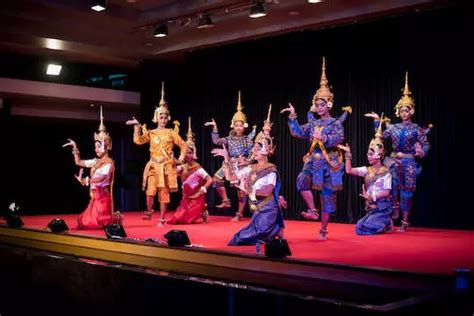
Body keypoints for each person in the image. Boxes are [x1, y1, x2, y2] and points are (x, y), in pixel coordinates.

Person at [280, 57, 348, 240]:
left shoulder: (334, 123)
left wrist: (324, 137)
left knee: (327, 196)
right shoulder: (312, 123)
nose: (319, 108)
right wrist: (293, 117)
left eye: (322, 104)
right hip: (313, 160)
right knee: (301, 180)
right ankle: (312, 209)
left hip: (330, 162)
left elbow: (339, 138)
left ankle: (323, 230)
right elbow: (296, 133)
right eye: (317, 105)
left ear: (329, 104)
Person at [365, 72, 431, 232]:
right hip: (392, 161)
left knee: (407, 192)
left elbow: (425, 144)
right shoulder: (393, 128)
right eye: (401, 110)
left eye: (407, 110)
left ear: (411, 111)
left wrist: (421, 152)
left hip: (409, 162)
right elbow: (381, 136)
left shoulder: (416, 129)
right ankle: (389, 220)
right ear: (398, 112)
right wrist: (377, 122)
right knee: (390, 189)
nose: (404, 113)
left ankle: (404, 222)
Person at [126, 82, 188, 227]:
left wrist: (180, 159)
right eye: (161, 116)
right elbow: (138, 141)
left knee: (163, 194)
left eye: (165, 117)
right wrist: (136, 127)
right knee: (150, 191)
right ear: (156, 117)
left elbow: (183, 145)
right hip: (154, 165)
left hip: (166, 167)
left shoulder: (172, 132)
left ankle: (161, 219)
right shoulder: (151, 133)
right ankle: (149, 211)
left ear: (168, 118)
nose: (163, 119)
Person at [212, 137, 286, 246]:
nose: (253, 151)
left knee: (242, 238)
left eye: (257, 149)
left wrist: (248, 190)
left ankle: (273, 228)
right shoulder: (251, 168)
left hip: (268, 209)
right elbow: (230, 177)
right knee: (241, 237)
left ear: (265, 150)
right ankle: (273, 229)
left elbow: (267, 192)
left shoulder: (271, 170)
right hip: (257, 210)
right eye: (253, 149)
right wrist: (226, 158)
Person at [63, 106, 119, 229]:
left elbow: (100, 179)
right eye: (95, 146)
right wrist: (75, 147)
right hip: (94, 197)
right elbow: (79, 162)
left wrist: (87, 180)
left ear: (107, 146)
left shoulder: (109, 163)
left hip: (103, 199)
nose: (96, 149)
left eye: (99, 146)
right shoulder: (95, 161)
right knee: (84, 221)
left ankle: (112, 217)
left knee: (94, 223)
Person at [204, 91, 256, 221]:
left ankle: (239, 214)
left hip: (242, 166)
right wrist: (215, 128)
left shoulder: (248, 140)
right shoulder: (228, 139)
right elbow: (216, 141)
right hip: (229, 163)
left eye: (241, 125)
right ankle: (226, 200)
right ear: (233, 125)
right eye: (236, 125)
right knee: (216, 180)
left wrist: (247, 161)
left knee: (241, 190)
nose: (238, 128)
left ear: (244, 126)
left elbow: (253, 153)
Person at [339, 114, 393, 235]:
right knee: (359, 227)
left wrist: (372, 197)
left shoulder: (385, 172)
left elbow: (386, 192)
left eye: (370, 153)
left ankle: (386, 221)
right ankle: (386, 223)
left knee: (364, 229)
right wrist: (348, 156)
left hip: (382, 206)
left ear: (378, 155)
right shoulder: (367, 169)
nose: (368, 156)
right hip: (372, 206)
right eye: (368, 153)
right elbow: (349, 171)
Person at [167, 118, 213, 224]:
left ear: (194, 154)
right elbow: (173, 174)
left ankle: (202, 211)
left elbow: (210, 180)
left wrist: (201, 190)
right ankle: (200, 212)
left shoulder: (198, 168)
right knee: (177, 219)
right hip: (186, 198)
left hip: (197, 197)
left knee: (188, 220)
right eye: (186, 153)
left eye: (190, 153)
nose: (188, 155)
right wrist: (172, 159)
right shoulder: (182, 167)